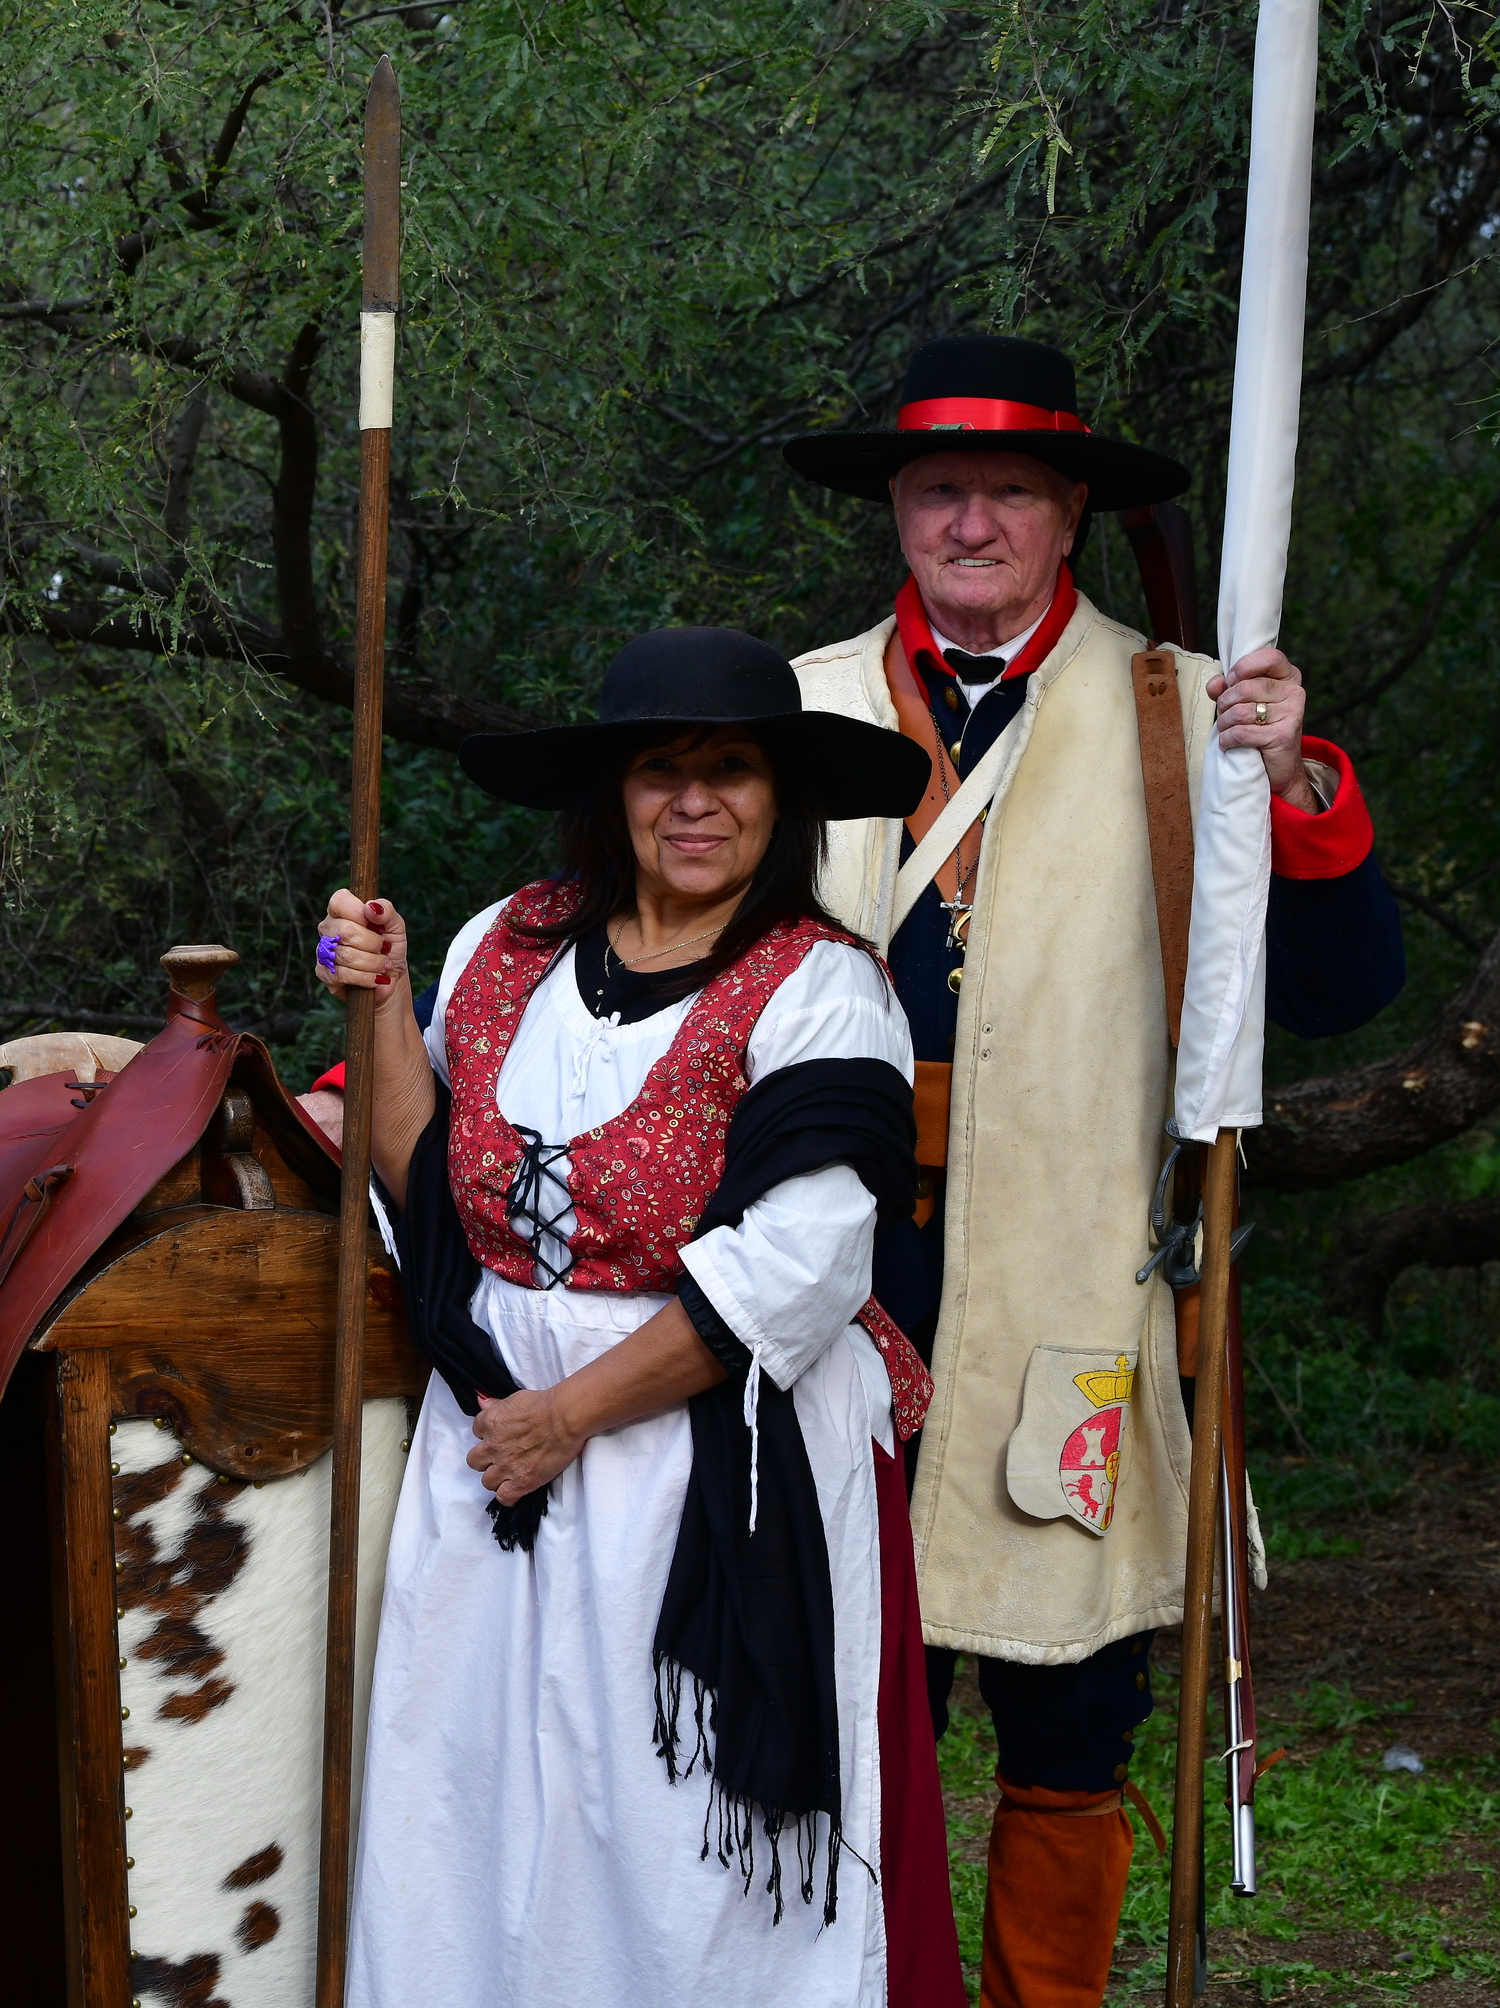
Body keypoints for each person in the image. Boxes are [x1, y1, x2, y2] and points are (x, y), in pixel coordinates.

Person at [781, 334, 1405, 2008]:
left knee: (1072, 1703)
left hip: (1078, 1274)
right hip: (829, 1279)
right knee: (845, 1695)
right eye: (938, 489)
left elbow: (1343, 990)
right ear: (896, 511)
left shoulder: (1188, 710)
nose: (970, 522)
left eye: (1008, 490)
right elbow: (642, 944)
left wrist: (1293, 779)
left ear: (1068, 512)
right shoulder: (794, 709)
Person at [317, 626, 963, 2006]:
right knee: (471, 1798)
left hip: (707, 1455)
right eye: (662, 769)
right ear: (612, 792)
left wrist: (566, 1419)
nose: (695, 801)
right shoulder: (504, 944)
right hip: (494, 1442)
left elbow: (800, 1268)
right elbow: (431, 1185)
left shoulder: (824, 985)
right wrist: (378, 1005)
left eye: (731, 770)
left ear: (781, 797)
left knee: (668, 1851)